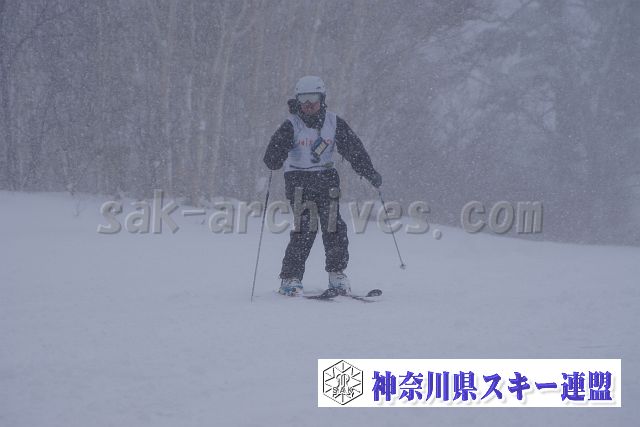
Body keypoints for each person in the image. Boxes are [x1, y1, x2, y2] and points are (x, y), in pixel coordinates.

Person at [263, 76, 381, 297]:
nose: (309, 104)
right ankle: (290, 278)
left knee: (333, 226)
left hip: (326, 178)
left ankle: (337, 274)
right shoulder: (291, 125)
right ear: (298, 100)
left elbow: (354, 150)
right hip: (298, 179)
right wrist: (274, 157)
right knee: (306, 227)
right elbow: (272, 155)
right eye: (303, 99)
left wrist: (369, 172)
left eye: (313, 99)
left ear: (322, 99)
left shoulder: (333, 122)